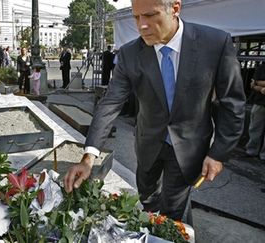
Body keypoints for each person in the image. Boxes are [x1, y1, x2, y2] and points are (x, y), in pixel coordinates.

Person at [64, 0, 245, 222]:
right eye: (136, 17)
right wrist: (88, 157)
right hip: (148, 143)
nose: (141, 26)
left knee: (173, 209)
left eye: (150, 15)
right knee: (147, 199)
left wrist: (218, 153)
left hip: (189, 147)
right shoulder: (130, 54)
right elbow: (110, 103)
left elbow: (232, 104)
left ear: (175, 8)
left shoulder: (215, 44)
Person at [245, 63, 265, 160]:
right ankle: (251, 151)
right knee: (255, 128)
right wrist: (259, 86)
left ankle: (262, 154)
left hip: (259, 101)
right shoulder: (261, 67)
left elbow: (256, 83)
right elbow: (253, 83)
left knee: (255, 128)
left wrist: (259, 85)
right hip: (260, 102)